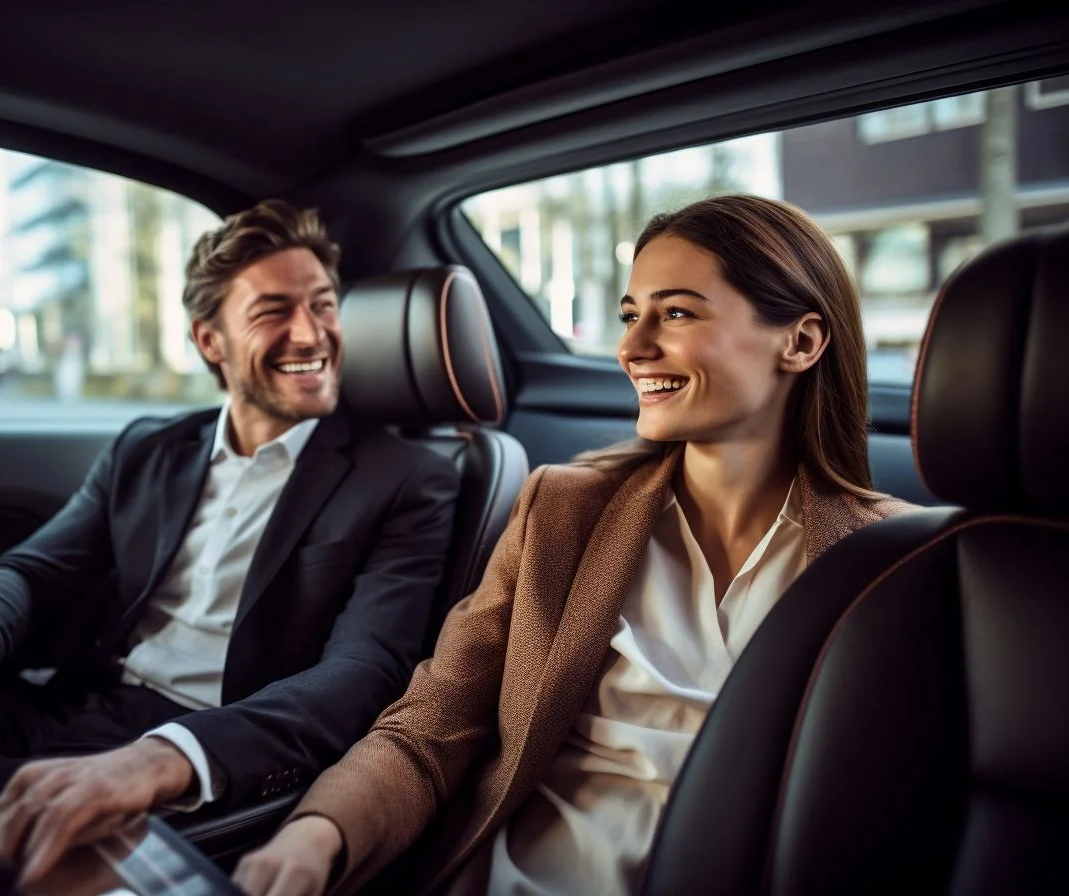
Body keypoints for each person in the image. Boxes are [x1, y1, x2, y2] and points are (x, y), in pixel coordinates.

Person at [0, 199, 459, 884]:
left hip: (195, 757)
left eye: (323, 306)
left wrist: (164, 759)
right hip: (55, 710)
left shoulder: (406, 479)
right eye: (274, 311)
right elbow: (34, 571)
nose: (310, 333)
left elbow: (363, 672)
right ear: (211, 340)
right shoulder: (149, 447)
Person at [232, 195, 917, 896]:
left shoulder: (894, 563)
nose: (632, 346)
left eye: (676, 312)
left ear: (800, 342)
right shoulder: (561, 509)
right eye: (630, 315)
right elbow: (433, 723)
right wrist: (319, 834)